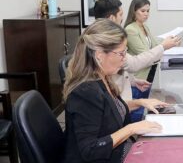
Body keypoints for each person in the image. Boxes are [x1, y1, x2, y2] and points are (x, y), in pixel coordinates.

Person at [63, 19, 166, 162]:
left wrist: (140, 102)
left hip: (116, 151)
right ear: (99, 55)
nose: (124, 59)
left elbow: (109, 110)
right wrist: (131, 129)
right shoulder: (85, 92)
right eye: (121, 53)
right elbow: (90, 150)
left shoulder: (103, 77)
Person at [94, 0, 180, 101]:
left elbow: (120, 68)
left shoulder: (96, 34)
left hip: (119, 90)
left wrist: (133, 81)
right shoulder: (108, 39)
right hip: (112, 96)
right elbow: (132, 63)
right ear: (112, 18)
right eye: (120, 15)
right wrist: (163, 46)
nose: (122, 19)